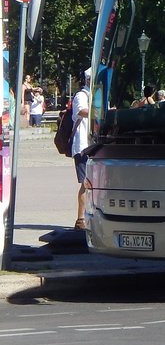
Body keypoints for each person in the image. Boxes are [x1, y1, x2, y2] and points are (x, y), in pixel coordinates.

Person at [70, 69, 91, 230]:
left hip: (95, 144)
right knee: (86, 182)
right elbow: (81, 111)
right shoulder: (81, 95)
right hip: (83, 145)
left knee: (94, 183)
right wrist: (100, 112)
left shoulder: (97, 96)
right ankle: (80, 219)